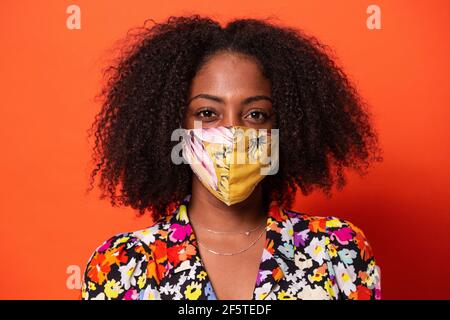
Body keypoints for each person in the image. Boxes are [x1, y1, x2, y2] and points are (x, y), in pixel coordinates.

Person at [81, 14, 383, 300]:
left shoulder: (337, 250)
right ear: (174, 126)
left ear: (283, 128)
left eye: (255, 114)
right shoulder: (121, 264)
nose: (232, 132)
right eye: (208, 113)